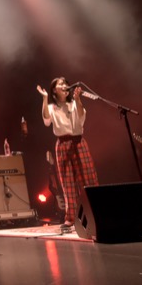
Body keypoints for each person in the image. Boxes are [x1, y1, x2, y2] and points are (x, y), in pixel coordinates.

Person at [37, 77, 99, 232]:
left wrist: (78, 99)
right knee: (67, 182)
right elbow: (46, 120)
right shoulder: (52, 107)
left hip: (78, 142)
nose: (65, 86)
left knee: (88, 179)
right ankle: (71, 218)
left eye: (66, 84)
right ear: (54, 90)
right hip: (63, 144)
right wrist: (44, 98)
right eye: (61, 84)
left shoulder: (74, 103)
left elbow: (81, 118)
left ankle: (95, 214)